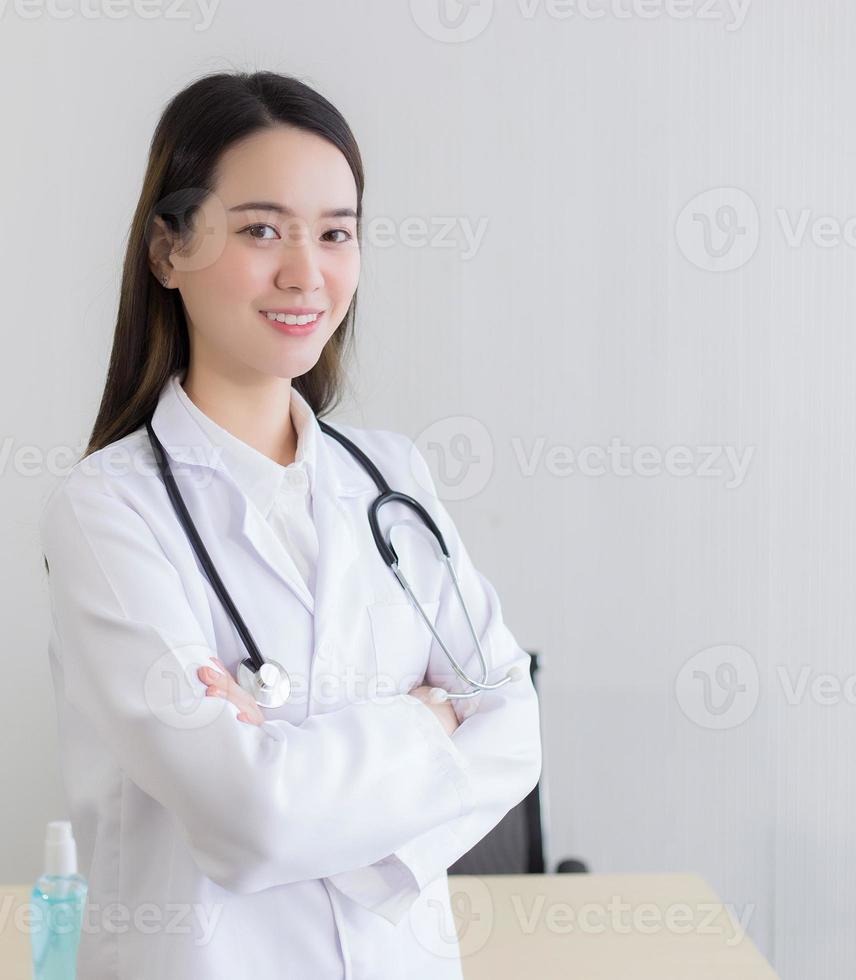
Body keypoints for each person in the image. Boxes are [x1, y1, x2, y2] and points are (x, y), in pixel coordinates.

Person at [37, 69, 542, 979]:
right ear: (168, 251)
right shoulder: (109, 512)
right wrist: (427, 724)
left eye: (336, 233)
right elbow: (246, 817)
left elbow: (515, 731)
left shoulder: (392, 476)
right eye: (261, 229)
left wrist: (291, 776)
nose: (307, 272)